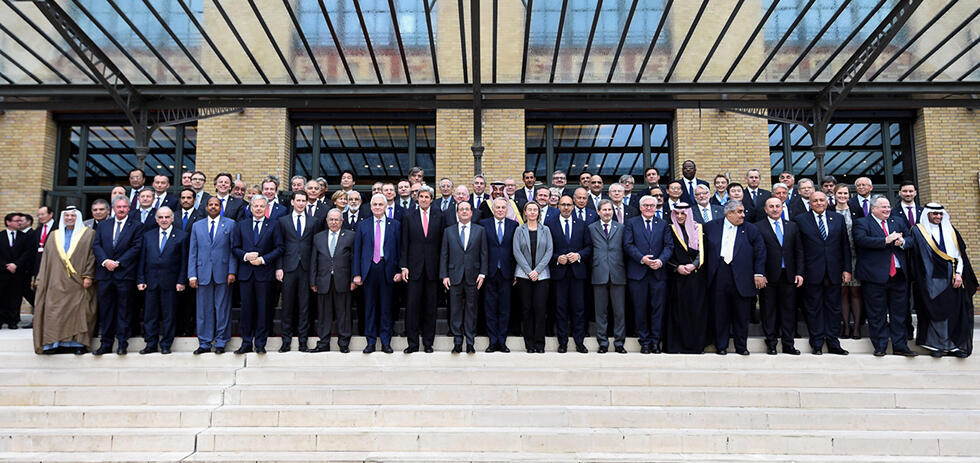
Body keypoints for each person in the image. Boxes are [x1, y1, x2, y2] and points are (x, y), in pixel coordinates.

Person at [909, 203, 976, 357]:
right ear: (927, 214)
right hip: (930, 280)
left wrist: (959, 274)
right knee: (935, 311)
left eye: (940, 214)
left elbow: (960, 255)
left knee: (953, 312)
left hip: (952, 278)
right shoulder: (919, 231)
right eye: (934, 214)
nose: (938, 217)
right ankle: (936, 346)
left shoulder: (951, 231)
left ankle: (954, 346)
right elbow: (914, 254)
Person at [853, 195, 916, 357]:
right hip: (874, 276)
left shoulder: (898, 221)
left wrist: (903, 242)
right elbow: (861, 240)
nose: (887, 210)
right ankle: (880, 346)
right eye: (883, 207)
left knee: (899, 314)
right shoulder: (862, 223)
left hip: (899, 275)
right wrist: (885, 240)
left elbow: (911, 239)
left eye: (888, 207)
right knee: (877, 314)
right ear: (873, 208)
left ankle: (900, 346)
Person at [703, 200, 766, 356]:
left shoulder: (751, 229)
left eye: (743, 211)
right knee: (720, 312)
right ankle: (721, 346)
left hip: (743, 276)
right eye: (739, 212)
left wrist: (759, 273)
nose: (743, 215)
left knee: (741, 314)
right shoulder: (711, 227)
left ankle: (741, 346)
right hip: (719, 274)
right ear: (729, 213)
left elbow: (760, 252)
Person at [32, 207, 96, 355]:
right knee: (54, 312)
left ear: (78, 217)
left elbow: (92, 256)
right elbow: (46, 259)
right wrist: (41, 278)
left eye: (73, 216)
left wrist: (88, 276)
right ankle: (53, 344)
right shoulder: (54, 235)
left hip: (78, 281)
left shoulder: (89, 234)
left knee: (79, 312)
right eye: (66, 216)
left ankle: (77, 344)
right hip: (55, 280)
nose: (69, 218)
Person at [794, 191, 852, 355]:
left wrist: (847, 269)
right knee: (814, 309)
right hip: (811, 272)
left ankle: (833, 343)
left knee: (834, 308)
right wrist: (800, 272)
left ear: (827, 202)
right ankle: (817, 343)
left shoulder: (837, 218)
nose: (819, 203)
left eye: (822, 200)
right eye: (815, 201)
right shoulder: (800, 220)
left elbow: (845, 246)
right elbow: (799, 249)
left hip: (834, 271)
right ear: (810, 203)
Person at [92, 195, 144, 355]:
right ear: (113, 209)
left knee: (124, 311)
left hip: (125, 274)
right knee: (106, 310)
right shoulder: (103, 225)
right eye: (118, 207)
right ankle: (106, 344)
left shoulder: (136, 226)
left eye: (124, 207)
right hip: (105, 274)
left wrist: (119, 262)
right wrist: (105, 261)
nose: (121, 209)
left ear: (129, 208)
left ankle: (122, 343)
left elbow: (136, 247)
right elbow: (97, 245)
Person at [232, 195, 283, 355]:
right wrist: (246, 256)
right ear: (250, 208)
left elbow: (280, 247)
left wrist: (263, 259)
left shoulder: (274, 225)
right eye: (256, 206)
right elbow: (234, 247)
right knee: (246, 310)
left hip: (265, 274)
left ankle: (260, 343)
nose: (259, 209)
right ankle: (246, 343)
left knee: (263, 310)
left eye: (262, 206)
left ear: (266, 208)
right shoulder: (241, 225)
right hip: (246, 274)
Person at [753, 197, 804, 355]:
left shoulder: (792, 226)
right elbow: (756, 253)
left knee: (789, 311)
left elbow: (799, 251)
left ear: (782, 208)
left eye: (778, 206)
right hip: (768, 276)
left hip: (788, 275)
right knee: (769, 310)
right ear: (765, 209)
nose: (775, 209)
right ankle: (771, 343)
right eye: (771, 206)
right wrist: (760, 273)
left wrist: (799, 272)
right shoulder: (758, 227)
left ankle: (788, 344)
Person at [624, 195, 673, 354]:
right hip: (638, 274)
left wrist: (660, 261)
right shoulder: (631, 223)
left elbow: (669, 246)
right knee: (640, 310)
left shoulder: (663, 224)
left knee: (657, 310)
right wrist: (642, 259)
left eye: (652, 205)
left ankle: (655, 342)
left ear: (656, 207)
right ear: (640, 207)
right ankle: (644, 342)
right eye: (645, 205)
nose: (649, 208)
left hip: (658, 274)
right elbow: (628, 244)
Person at [188, 197, 237, 355]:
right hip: (202, 273)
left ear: (220, 207)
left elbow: (233, 250)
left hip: (223, 273)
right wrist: (192, 275)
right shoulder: (197, 226)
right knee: (203, 310)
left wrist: (232, 271)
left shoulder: (230, 224)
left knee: (222, 309)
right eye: (211, 204)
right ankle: (204, 342)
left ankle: (221, 342)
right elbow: (193, 251)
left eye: (216, 204)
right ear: (206, 207)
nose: (213, 207)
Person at [353, 194, 402, 354]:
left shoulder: (395, 225)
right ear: (371, 207)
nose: (378, 207)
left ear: (386, 206)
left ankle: (386, 342)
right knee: (370, 307)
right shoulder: (363, 225)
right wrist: (357, 273)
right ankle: (371, 342)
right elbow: (357, 251)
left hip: (387, 269)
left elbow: (400, 250)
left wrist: (399, 270)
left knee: (386, 308)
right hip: (369, 270)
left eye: (381, 204)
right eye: (375, 204)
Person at [136, 206, 187, 355]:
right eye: (161, 217)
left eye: (167, 217)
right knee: (150, 315)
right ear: (156, 219)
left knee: (168, 315)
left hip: (171, 282)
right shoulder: (148, 235)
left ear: (172, 218)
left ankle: (166, 344)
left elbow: (184, 261)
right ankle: (150, 344)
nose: (164, 220)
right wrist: (140, 279)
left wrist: (181, 280)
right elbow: (142, 259)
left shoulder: (182, 236)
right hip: (151, 281)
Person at [400, 185, 445, 353]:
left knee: (430, 308)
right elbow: (404, 243)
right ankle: (412, 344)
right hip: (413, 269)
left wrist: (443, 270)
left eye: (427, 197)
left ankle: (428, 343)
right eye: (421, 197)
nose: (424, 199)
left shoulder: (439, 216)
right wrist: (404, 266)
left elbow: (442, 245)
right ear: (417, 199)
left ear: (431, 200)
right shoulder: (408, 216)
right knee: (412, 307)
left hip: (433, 269)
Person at [440, 201, 487, 354]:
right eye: (461, 209)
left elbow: (484, 253)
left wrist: (482, 273)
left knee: (471, 309)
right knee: (455, 310)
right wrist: (444, 275)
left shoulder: (480, 230)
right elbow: (444, 254)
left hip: (474, 276)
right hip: (454, 276)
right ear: (457, 213)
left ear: (471, 212)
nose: (464, 212)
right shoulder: (449, 231)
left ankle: (470, 342)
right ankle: (457, 341)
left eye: (467, 209)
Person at [547, 195, 591, 354]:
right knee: (560, 309)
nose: (566, 207)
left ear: (573, 207)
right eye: (563, 204)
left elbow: (589, 247)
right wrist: (556, 258)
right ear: (558, 206)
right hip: (559, 273)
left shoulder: (582, 224)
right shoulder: (550, 224)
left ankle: (579, 342)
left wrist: (579, 255)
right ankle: (563, 343)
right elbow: (546, 249)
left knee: (579, 309)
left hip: (578, 273)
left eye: (569, 205)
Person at [664, 203, 709, 354]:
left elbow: (704, 251)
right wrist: (677, 267)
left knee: (696, 311)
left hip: (696, 277)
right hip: (677, 278)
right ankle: (677, 346)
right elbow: (666, 251)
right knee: (678, 312)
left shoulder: (699, 228)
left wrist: (693, 265)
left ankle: (695, 346)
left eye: (683, 213)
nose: (680, 216)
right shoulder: (669, 229)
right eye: (677, 213)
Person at [310, 209, 356, 353]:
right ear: (327, 220)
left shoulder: (351, 236)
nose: (334, 222)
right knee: (324, 314)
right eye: (331, 219)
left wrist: (354, 279)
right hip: (323, 281)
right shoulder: (318, 237)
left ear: (342, 221)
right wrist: (312, 281)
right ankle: (323, 343)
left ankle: (344, 343)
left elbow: (354, 260)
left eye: (337, 219)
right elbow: (313, 261)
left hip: (343, 281)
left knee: (344, 313)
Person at [277, 191, 317, 352]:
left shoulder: (314, 221)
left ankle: (303, 342)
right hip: (288, 268)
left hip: (306, 269)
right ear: (292, 202)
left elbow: (315, 248)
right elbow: (279, 246)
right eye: (298, 200)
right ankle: (286, 341)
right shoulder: (283, 221)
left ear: (307, 202)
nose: (301, 203)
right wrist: (279, 267)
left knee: (304, 306)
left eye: (303, 201)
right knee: (287, 306)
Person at [479, 197, 519, 353]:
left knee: (504, 309)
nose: (500, 210)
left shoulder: (513, 225)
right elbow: (481, 250)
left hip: (507, 273)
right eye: (498, 207)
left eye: (503, 207)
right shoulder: (483, 224)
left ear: (507, 209)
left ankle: (502, 341)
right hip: (489, 272)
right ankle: (492, 341)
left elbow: (515, 250)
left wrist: (515, 272)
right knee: (489, 308)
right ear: (493, 209)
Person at [513, 202, 553, 353]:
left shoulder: (546, 230)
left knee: (540, 309)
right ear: (525, 212)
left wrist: (537, 270)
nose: (532, 212)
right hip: (524, 275)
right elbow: (516, 251)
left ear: (538, 212)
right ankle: (529, 344)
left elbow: (549, 251)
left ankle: (539, 344)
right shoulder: (519, 230)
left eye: (535, 209)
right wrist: (529, 271)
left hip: (542, 276)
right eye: (529, 209)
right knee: (526, 309)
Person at [588, 200, 627, 354]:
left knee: (619, 311)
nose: (607, 212)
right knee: (600, 311)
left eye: (609, 210)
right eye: (604, 210)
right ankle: (603, 343)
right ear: (598, 212)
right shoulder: (591, 228)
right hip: (599, 273)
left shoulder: (621, 227)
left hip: (618, 273)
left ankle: (619, 343)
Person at [834, 184, 863, 340]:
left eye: (845, 193)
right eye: (840, 193)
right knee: (842, 292)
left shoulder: (856, 210)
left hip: (856, 255)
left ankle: (856, 327)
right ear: (834, 194)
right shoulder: (830, 210)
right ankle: (845, 326)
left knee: (855, 291)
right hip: (837, 257)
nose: (842, 196)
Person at [1, 213, 33, 329]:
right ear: (8, 222)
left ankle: (13, 321)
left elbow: (27, 253)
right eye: (17, 221)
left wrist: (16, 264)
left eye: (20, 221)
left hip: (18, 272)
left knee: (16, 297)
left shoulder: (24, 237)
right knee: (2, 296)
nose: (20, 223)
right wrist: (5, 265)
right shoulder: (1, 236)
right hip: (2, 272)